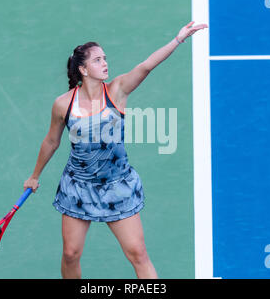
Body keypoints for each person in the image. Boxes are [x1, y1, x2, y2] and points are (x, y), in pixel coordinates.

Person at [24, 21, 208, 279]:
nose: (105, 63)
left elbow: (146, 65)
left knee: (138, 254)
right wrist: (35, 175)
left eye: (105, 58)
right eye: (98, 60)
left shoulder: (117, 91)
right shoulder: (63, 104)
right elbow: (51, 141)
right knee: (70, 254)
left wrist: (178, 40)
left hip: (116, 186)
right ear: (83, 69)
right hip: (78, 187)